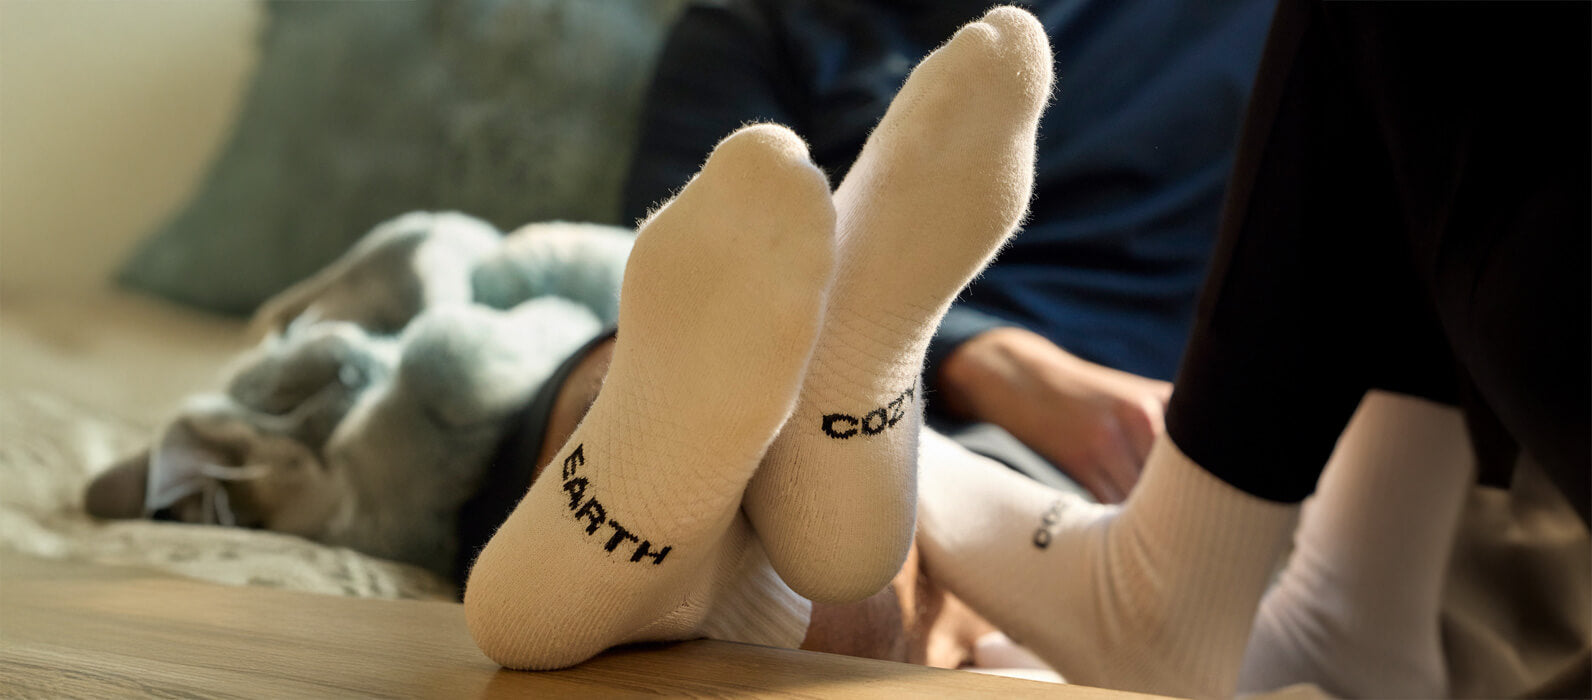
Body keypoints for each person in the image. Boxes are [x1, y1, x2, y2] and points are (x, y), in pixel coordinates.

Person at [622, 0, 1276, 503]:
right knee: (618, 381)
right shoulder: (753, 28)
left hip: (1101, 457)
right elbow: (683, 283)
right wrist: (983, 363)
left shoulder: (1260, 30)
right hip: (803, 394)